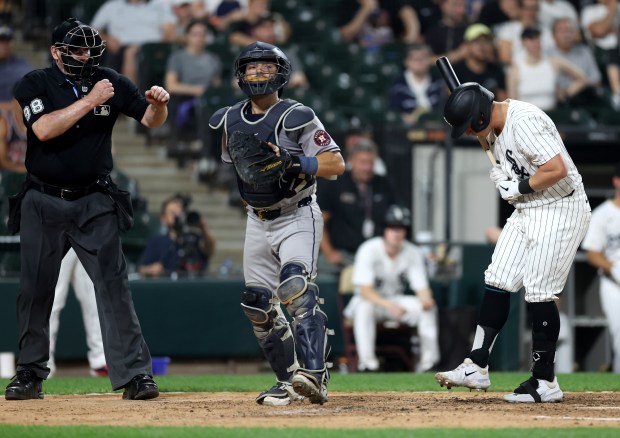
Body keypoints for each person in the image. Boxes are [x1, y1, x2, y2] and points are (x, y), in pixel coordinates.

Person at [5, 17, 171, 401]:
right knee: (35, 289)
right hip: (42, 199)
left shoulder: (108, 78)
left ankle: (135, 375)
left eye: (89, 50)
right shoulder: (35, 83)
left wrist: (159, 105)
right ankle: (30, 373)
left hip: (95, 199)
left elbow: (149, 120)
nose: (84, 56)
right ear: (55, 52)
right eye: (76, 50)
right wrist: (92, 100)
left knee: (114, 287)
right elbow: (43, 130)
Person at [433, 80, 591, 402]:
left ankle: (545, 382)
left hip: (561, 208)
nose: (467, 133)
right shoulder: (492, 125)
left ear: (479, 115)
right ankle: (477, 365)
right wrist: (508, 178)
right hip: (529, 209)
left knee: (539, 291)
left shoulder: (524, 122)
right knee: (498, 279)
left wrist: (519, 186)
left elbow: (556, 169)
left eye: (467, 126)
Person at [208, 41, 345, 405]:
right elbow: (240, 170)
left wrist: (297, 162)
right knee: (256, 303)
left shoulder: (297, 114)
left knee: (296, 288)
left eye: (266, 67)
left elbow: (335, 164)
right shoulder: (229, 118)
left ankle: (315, 374)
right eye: (252, 68)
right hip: (257, 218)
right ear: (240, 74)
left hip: (297, 213)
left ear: (280, 73)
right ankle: (289, 381)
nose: (258, 73)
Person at [344, 205, 440, 372]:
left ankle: (428, 364)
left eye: (401, 228)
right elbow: (365, 290)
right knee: (363, 306)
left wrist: (426, 299)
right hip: (373, 302)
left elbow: (421, 286)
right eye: (393, 227)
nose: (397, 233)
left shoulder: (412, 251)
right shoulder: (369, 249)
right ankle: (367, 364)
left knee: (428, 308)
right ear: (385, 230)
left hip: (395, 300)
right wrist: (389, 306)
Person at [317, 139, 396, 273]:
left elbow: (394, 223)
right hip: (343, 255)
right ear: (351, 161)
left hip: (376, 254)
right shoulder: (335, 184)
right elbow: (318, 222)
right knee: (324, 270)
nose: (367, 168)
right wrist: (330, 253)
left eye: (371, 163)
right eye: (362, 162)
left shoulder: (384, 184)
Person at [581, 162, 620, 373]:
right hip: (614, 283)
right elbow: (592, 253)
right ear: (616, 181)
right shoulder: (603, 214)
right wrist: (613, 268)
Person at [48, 249, 107, 378]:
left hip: (85, 234)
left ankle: (100, 360)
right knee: (52, 300)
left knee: (94, 299)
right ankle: (43, 362)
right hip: (57, 233)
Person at [506, 26, 587, 111]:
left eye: (537, 39)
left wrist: (567, 93)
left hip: (552, 115)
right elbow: (512, 101)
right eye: (531, 40)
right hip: (526, 117)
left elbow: (582, 78)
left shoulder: (554, 62)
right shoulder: (515, 69)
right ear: (523, 43)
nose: (535, 43)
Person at [138, 195, 216, 277]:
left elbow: (210, 249)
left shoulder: (194, 238)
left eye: (180, 212)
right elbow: (140, 268)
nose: (177, 216)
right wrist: (150, 270)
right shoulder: (157, 243)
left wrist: (203, 227)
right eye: (173, 213)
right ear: (164, 218)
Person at [388, 43, 445, 126]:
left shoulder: (440, 83)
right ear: (406, 62)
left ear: (430, 60)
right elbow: (393, 112)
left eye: (423, 58)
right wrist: (403, 118)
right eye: (414, 59)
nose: (419, 62)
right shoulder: (398, 85)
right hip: (406, 131)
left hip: (437, 129)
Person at [452, 23, 507, 101]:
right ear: (467, 45)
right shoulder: (456, 71)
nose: (482, 46)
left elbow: (503, 103)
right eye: (476, 41)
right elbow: (453, 103)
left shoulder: (496, 70)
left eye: (486, 41)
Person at [0, 25, 32, 103]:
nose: (5, 45)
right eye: (1, 42)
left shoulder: (20, 65)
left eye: (7, 41)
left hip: (11, 112)